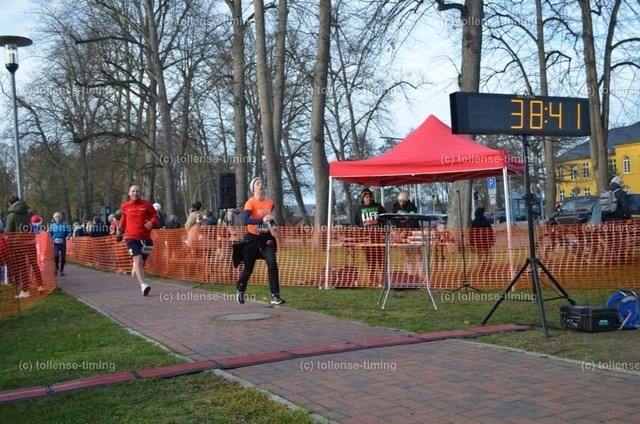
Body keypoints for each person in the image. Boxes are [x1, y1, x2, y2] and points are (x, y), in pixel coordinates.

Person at [235, 177, 285, 305]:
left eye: (262, 183)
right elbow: (246, 220)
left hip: (266, 237)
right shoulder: (250, 203)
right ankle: (240, 288)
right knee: (248, 268)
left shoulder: (269, 203)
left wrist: (274, 227)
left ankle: (275, 295)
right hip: (252, 238)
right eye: (257, 183)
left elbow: (269, 219)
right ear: (253, 188)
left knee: (272, 263)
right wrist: (261, 221)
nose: (261, 185)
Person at [116, 185, 158, 296]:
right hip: (131, 238)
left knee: (142, 262)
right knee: (138, 260)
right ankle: (143, 286)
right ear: (129, 193)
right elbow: (124, 218)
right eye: (133, 191)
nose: (135, 193)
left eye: (137, 191)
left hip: (146, 239)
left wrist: (152, 222)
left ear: (140, 193)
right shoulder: (125, 206)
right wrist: (120, 230)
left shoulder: (147, 205)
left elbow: (155, 216)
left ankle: (136, 268)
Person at [6, 195, 43, 298]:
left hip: (18, 243)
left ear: (10, 203)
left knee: (22, 267)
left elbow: (8, 231)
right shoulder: (27, 212)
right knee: (34, 263)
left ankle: (25, 290)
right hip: (30, 240)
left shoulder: (11, 214)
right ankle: (40, 286)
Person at [353, 188, 386, 284]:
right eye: (366, 197)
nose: (369, 199)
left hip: (378, 236)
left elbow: (385, 219)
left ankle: (384, 277)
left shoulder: (378, 206)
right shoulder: (359, 209)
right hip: (366, 237)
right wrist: (359, 234)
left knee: (381, 258)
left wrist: (384, 231)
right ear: (363, 198)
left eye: (370, 196)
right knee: (370, 258)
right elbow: (356, 222)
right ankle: (372, 277)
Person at [392, 190, 423, 279]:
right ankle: (411, 276)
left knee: (419, 256)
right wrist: (396, 231)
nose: (401, 203)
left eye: (404, 201)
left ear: (407, 200)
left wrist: (406, 231)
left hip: (414, 233)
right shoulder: (395, 207)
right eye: (400, 201)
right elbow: (394, 220)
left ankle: (422, 277)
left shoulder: (412, 207)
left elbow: (412, 220)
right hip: (402, 234)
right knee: (407, 256)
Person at [600, 176, 631, 262]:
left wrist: (603, 220)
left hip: (607, 220)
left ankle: (610, 257)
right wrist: (628, 217)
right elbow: (625, 205)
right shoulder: (620, 192)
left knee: (610, 238)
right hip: (618, 219)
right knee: (620, 238)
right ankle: (620, 257)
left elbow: (601, 207)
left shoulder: (605, 192)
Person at [50, 212, 72, 276]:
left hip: (63, 243)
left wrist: (68, 236)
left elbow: (70, 232)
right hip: (56, 243)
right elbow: (50, 234)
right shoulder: (52, 226)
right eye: (56, 217)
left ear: (61, 217)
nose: (58, 218)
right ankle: (57, 268)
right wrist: (51, 239)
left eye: (59, 216)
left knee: (63, 257)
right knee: (56, 255)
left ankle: (61, 270)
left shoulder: (65, 224)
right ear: (54, 218)